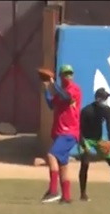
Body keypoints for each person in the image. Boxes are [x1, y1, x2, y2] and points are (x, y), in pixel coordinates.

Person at [41, 64, 82, 204]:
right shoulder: (61, 91)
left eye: (70, 73)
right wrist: (47, 88)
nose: (68, 76)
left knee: (51, 155)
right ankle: (66, 197)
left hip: (69, 132)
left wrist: (54, 84)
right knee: (63, 164)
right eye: (65, 73)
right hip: (60, 133)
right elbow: (52, 105)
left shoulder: (74, 89)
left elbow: (66, 97)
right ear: (61, 76)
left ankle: (53, 191)